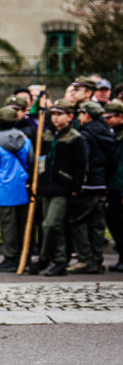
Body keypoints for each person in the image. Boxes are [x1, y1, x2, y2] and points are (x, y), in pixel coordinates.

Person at [28, 100, 88, 276]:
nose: (55, 118)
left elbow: (81, 165)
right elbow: (40, 161)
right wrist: (35, 181)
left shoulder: (74, 138)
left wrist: (76, 188)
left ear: (70, 117)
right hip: (46, 186)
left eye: (59, 114)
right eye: (53, 114)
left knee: (50, 224)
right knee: (54, 226)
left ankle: (52, 258)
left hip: (63, 187)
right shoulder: (46, 136)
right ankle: (54, 259)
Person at [0, 107, 32, 271]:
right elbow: (32, 163)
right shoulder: (26, 141)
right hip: (24, 188)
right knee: (24, 224)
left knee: (8, 226)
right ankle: (25, 255)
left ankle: (10, 258)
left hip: (5, 191)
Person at [69, 100, 115, 273]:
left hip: (87, 184)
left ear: (86, 115)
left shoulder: (85, 135)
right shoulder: (107, 133)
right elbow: (111, 160)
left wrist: (77, 184)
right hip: (101, 183)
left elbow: (83, 162)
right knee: (96, 224)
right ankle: (97, 259)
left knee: (78, 221)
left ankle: (85, 259)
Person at [104, 100, 123, 272]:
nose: (107, 120)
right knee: (113, 220)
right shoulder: (113, 134)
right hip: (114, 186)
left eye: (110, 117)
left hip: (120, 185)